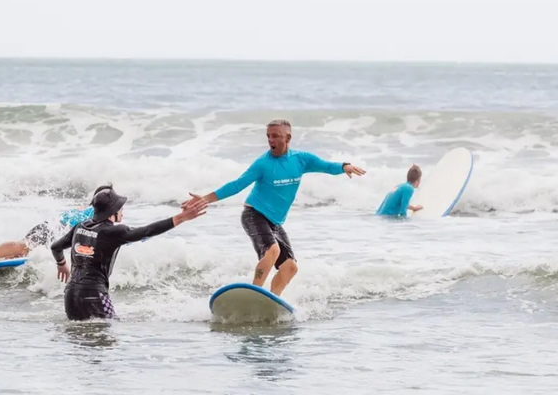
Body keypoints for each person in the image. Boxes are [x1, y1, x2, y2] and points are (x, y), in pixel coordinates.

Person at [182, 119, 366, 297]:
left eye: (276, 136)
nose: (271, 140)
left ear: (288, 138)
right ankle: (254, 292)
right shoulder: (263, 163)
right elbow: (237, 185)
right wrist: (205, 199)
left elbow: (327, 166)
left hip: (275, 222)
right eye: (268, 136)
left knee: (290, 267)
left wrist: (344, 166)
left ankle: (271, 300)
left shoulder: (301, 159)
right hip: (254, 214)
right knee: (272, 250)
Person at [50, 185, 208, 321]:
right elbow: (147, 231)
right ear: (113, 211)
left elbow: (56, 247)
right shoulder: (113, 231)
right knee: (107, 341)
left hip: (70, 296)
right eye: (121, 208)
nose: (123, 211)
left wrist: (61, 264)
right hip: (94, 295)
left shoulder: (80, 227)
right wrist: (182, 217)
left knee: (81, 345)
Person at [0, 186, 104, 271]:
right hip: (52, 230)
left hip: (49, 227)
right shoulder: (98, 213)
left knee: (22, 250)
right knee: (23, 247)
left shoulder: (87, 209)